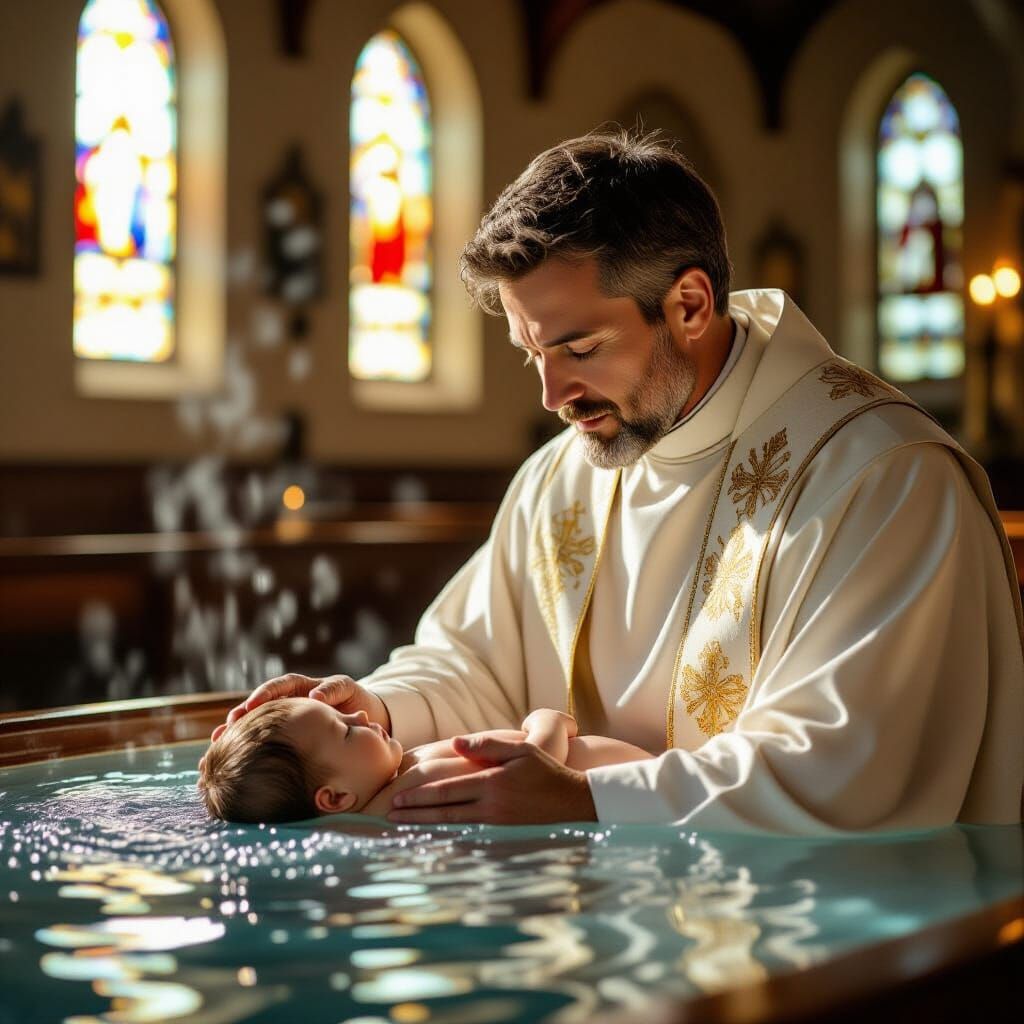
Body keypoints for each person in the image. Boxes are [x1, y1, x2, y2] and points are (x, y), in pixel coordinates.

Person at [214, 128, 1024, 833]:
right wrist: (376, 711)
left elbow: (849, 766)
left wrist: (590, 799)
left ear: (691, 304)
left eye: (580, 348)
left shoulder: (884, 480)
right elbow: (476, 662)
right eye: (533, 353)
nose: (551, 396)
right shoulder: (560, 478)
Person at [198, 698, 650, 823]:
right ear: (334, 796)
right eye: (346, 729)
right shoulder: (418, 785)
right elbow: (532, 772)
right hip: (637, 789)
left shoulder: (394, 787)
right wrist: (548, 722)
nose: (359, 714)